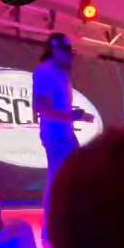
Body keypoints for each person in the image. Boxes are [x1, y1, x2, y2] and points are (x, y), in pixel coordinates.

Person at [32, 34, 94, 231]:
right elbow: (41, 106)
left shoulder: (61, 73)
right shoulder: (45, 71)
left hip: (64, 134)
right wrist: (70, 116)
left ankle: (61, 222)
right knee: (59, 179)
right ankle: (52, 227)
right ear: (55, 51)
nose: (70, 56)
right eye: (66, 51)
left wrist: (78, 116)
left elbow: (58, 106)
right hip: (55, 136)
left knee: (68, 176)